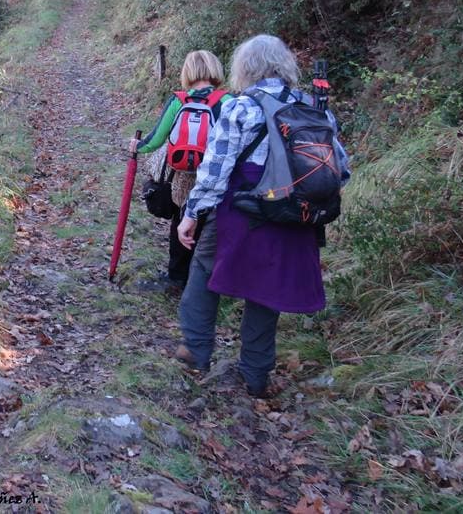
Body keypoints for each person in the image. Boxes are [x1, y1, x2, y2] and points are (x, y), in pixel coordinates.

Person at [176, 35, 350, 398]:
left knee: (205, 269)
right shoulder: (315, 108)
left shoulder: (242, 107)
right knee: (266, 292)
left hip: (245, 210)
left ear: (245, 68)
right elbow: (341, 170)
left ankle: (196, 351)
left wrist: (192, 213)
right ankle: (254, 376)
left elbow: (216, 170)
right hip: (295, 216)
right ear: (286, 65)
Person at [128, 51, 229, 293]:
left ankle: (177, 277)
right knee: (209, 224)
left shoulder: (178, 101)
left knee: (182, 219)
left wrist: (137, 146)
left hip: (183, 176)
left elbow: (157, 139)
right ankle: (207, 280)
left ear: (187, 72)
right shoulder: (227, 102)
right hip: (213, 174)